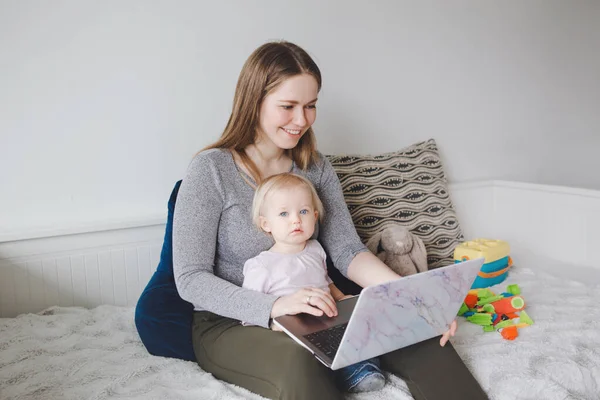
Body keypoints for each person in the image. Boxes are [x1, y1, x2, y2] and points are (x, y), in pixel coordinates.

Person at [172, 40, 488, 400]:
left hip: (318, 312)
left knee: (421, 332)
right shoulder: (210, 170)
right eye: (288, 106)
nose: (301, 120)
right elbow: (190, 278)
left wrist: (410, 299)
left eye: (310, 106)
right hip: (232, 323)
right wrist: (273, 307)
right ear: (253, 101)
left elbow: (348, 250)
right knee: (299, 359)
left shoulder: (315, 168)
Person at [242, 172, 385, 393]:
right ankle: (341, 376)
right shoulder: (260, 265)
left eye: (304, 211)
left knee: (359, 330)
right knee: (306, 355)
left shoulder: (315, 249)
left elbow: (324, 281)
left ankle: (362, 370)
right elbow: (250, 311)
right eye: (283, 213)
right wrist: (276, 325)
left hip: (326, 318)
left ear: (315, 216)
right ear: (266, 224)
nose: (296, 220)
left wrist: (340, 297)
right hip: (291, 327)